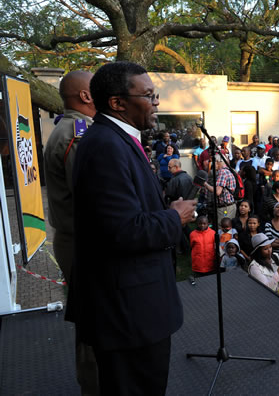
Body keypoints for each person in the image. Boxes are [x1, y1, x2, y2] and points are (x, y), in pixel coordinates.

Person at [68, 62, 196, 394]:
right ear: (117, 103)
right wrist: (174, 217)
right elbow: (122, 231)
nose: (156, 103)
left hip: (135, 307)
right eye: (149, 95)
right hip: (128, 313)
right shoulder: (105, 147)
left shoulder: (117, 140)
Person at [43, 70, 98, 393]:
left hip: (77, 239)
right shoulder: (78, 134)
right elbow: (91, 197)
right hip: (82, 242)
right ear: (86, 96)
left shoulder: (72, 128)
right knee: (93, 322)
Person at [248, 233, 279, 301]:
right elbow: (268, 288)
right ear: (258, 251)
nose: (269, 250)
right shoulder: (254, 267)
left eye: (270, 247)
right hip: (271, 302)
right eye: (265, 249)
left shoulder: (276, 256)